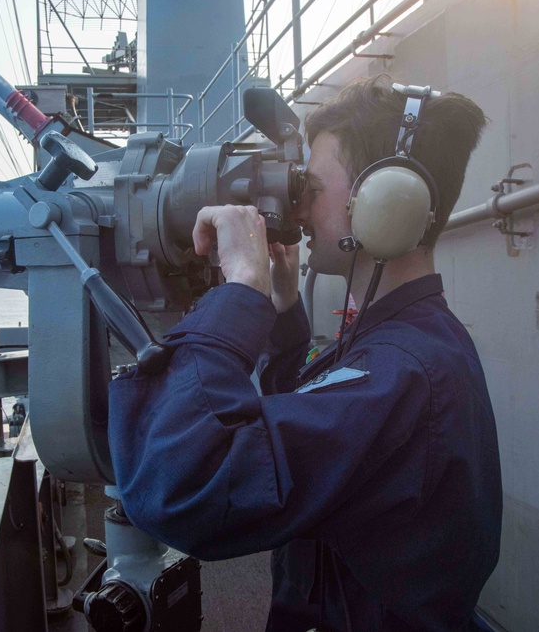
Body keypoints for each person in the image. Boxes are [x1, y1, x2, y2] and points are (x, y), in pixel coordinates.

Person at [107, 75, 502, 631]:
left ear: (388, 198)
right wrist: (283, 310)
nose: (297, 211)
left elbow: (182, 486)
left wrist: (239, 293)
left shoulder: (403, 373)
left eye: (311, 189)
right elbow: (311, 431)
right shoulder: (404, 340)